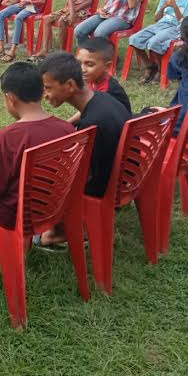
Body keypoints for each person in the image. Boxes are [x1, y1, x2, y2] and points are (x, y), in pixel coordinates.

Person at [0, 63, 75, 275]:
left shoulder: (8, 137)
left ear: (10, 97)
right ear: (41, 91)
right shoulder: (66, 128)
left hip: (13, 214)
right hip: (52, 206)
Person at [39, 52, 130, 249]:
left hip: (103, 189)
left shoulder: (92, 125)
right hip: (124, 174)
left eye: (48, 88)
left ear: (70, 85)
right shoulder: (104, 100)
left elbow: (86, 179)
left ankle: (60, 233)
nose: (45, 95)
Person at [129, 0, 188, 84]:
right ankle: (150, 65)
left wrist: (175, 7)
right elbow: (156, 19)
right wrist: (163, 7)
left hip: (177, 28)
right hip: (161, 25)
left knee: (154, 43)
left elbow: (186, 24)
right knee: (134, 39)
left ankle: (162, 70)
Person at [76, 38, 131, 113]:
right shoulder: (92, 79)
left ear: (107, 66)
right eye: (79, 63)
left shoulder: (107, 90)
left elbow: (91, 111)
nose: (82, 69)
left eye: (89, 64)